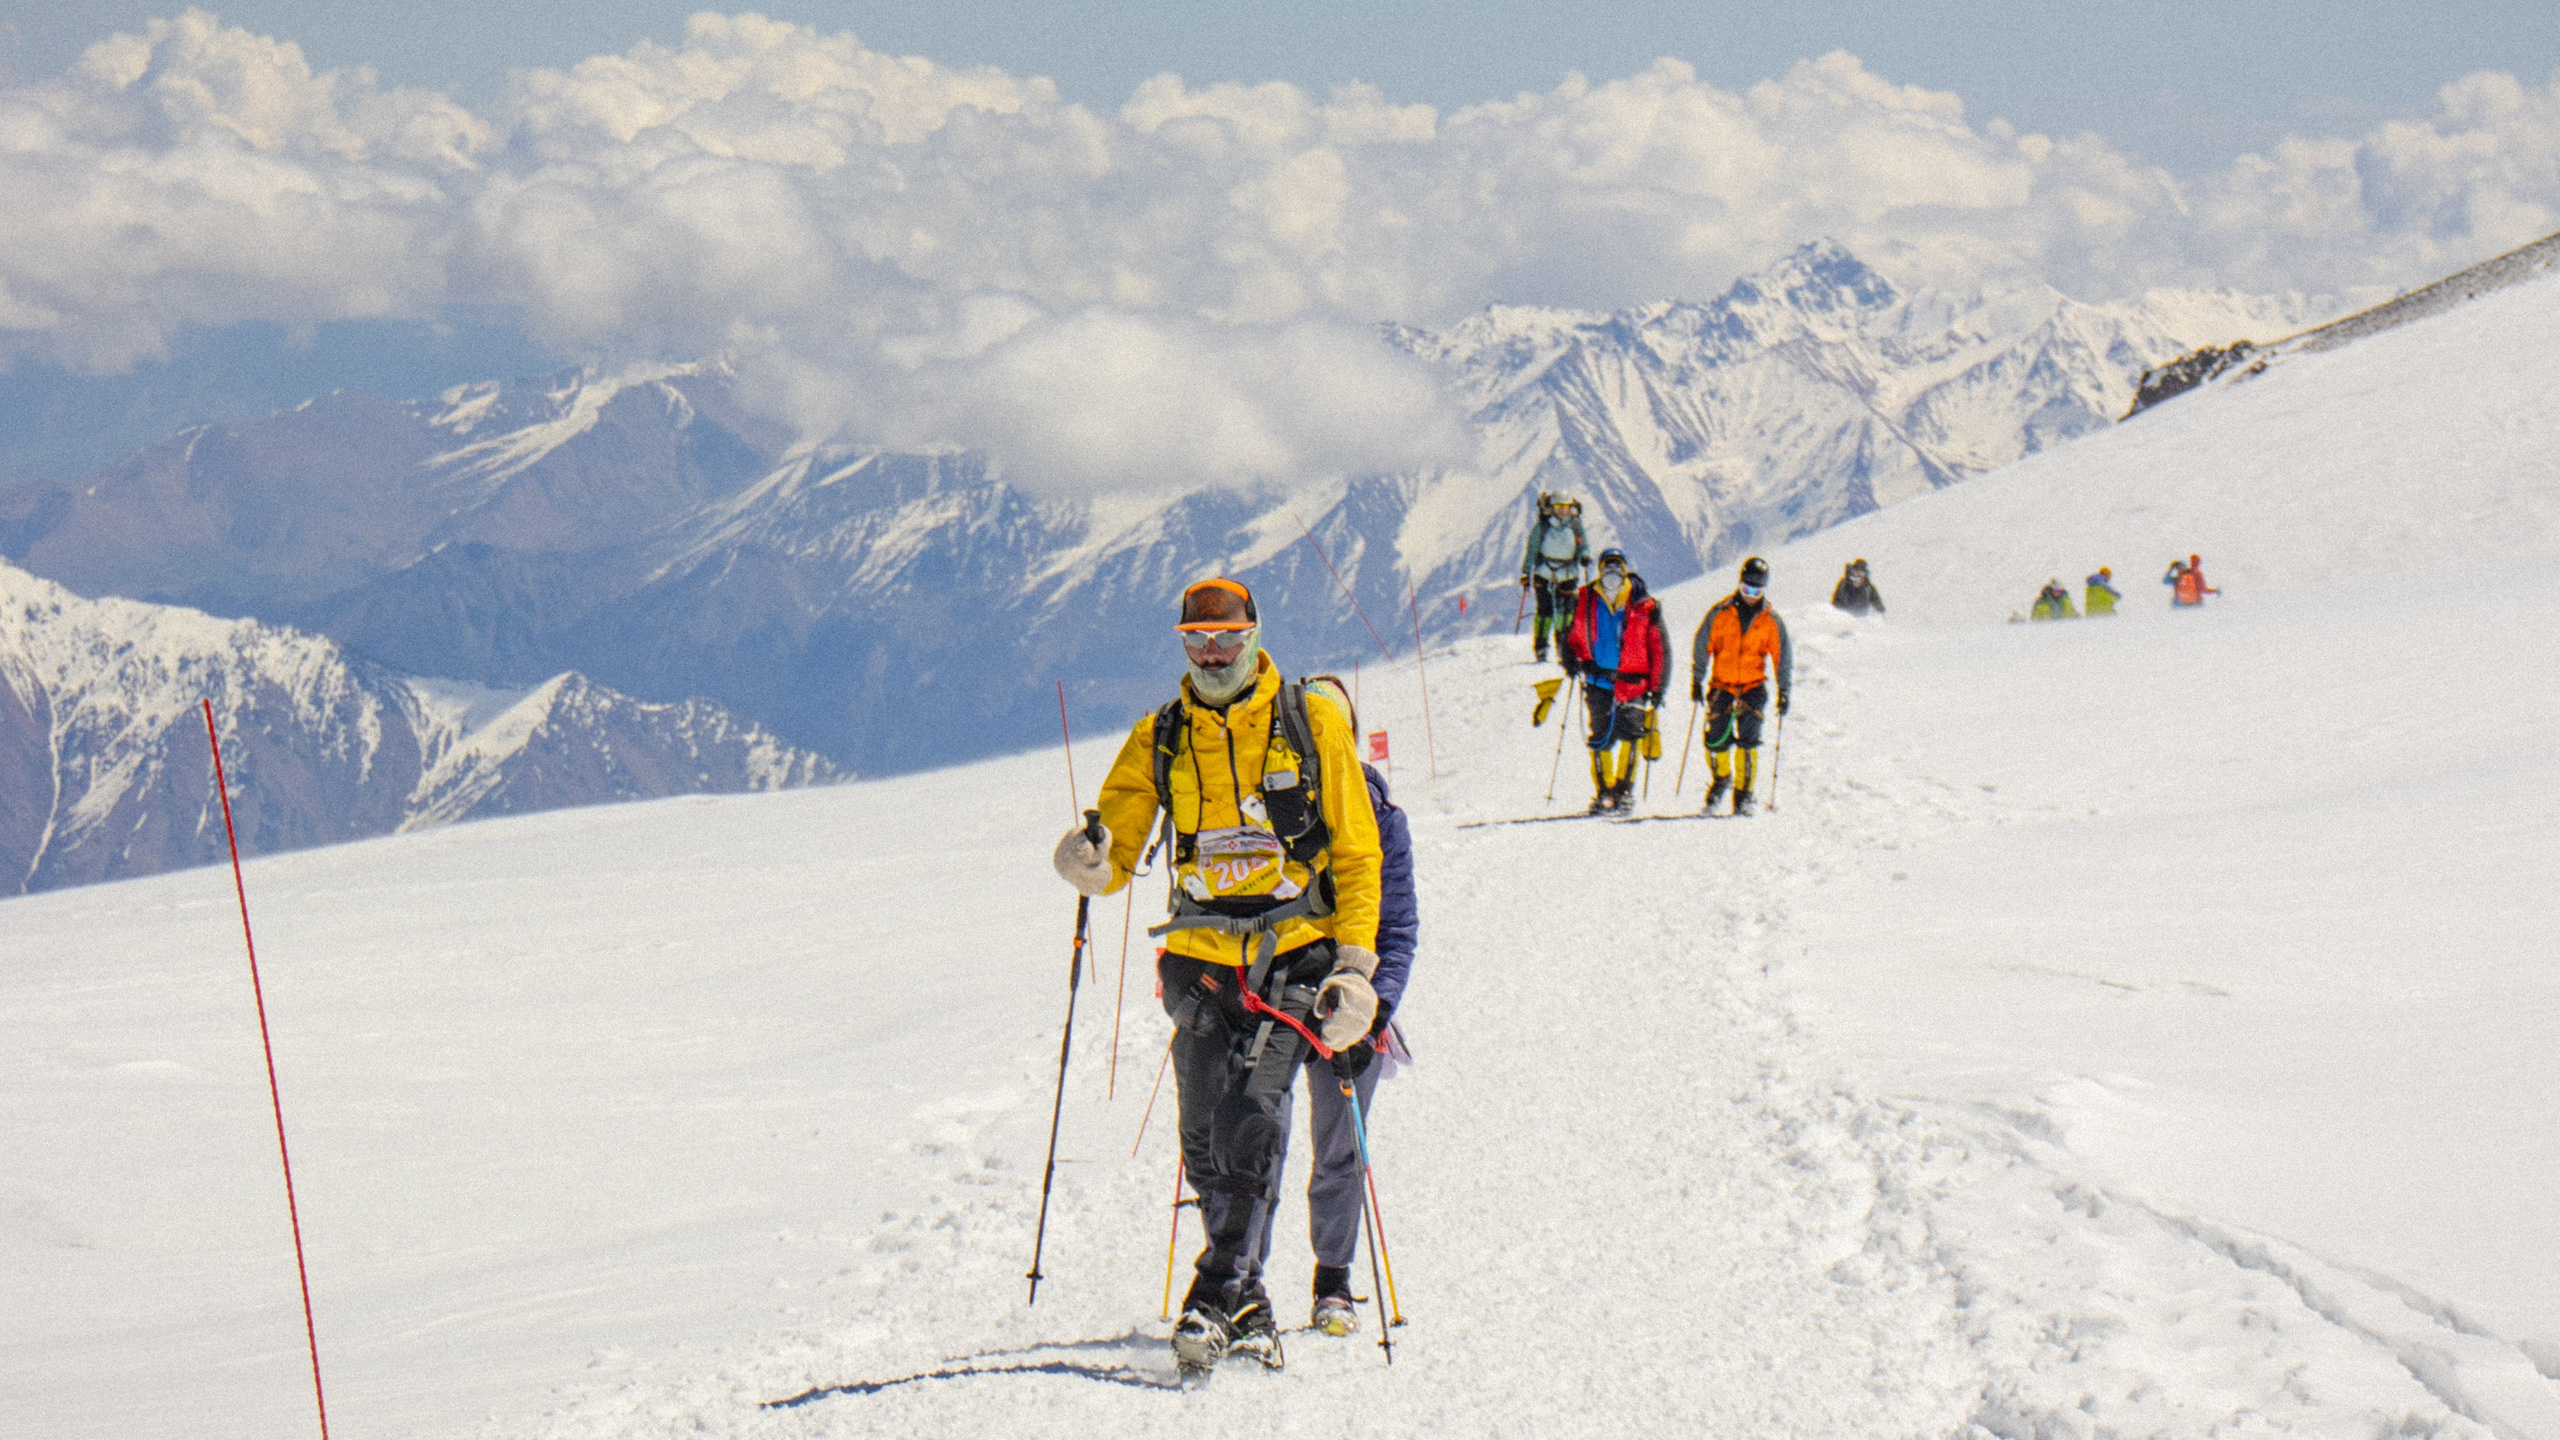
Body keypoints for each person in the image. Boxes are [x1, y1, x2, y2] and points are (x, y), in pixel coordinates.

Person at [1050, 577, 1383, 1373]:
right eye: (1197, 640)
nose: (1212, 653)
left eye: (1226, 638)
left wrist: (1357, 967)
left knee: (1253, 1116)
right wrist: (1090, 861)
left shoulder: (1311, 722)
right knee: (1202, 1137)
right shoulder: (1161, 735)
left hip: (1294, 952)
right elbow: (1119, 843)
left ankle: (1210, 1295)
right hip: (1199, 962)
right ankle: (1247, 1299)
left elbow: (1356, 850)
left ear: (1254, 635)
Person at [1251, 676, 1414, 1338]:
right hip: (1276, 995)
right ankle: (1242, 1279)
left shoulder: (1380, 817)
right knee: (1259, 1136)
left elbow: (1396, 928)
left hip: (1354, 1002)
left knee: (1339, 1146)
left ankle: (1333, 1281)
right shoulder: (1262, 811)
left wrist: (1374, 1004)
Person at [1559, 547, 1669, 815]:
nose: (1612, 573)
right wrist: (1570, 659)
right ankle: (1605, 791)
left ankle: (1623, 790)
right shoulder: (1583, 599)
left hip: (1633, 682)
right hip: (1598, 678)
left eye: (1616, 567)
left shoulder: (1644, 604)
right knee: (1600, 738)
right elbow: (1566, 633)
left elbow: (1659, 647)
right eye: (1607, 567)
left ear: (1625, 569)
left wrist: (1658, 686)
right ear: (1600, 570)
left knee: (1632, 735)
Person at [1690, 557, 1792, 816]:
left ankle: (1744, 795)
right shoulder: (1720, 613)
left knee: (1749, 741)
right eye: (1747, 589)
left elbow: (1782, 655)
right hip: (1722, 685)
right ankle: (1722, 777)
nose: (1750, 596)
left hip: (1752, 687)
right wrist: (1697, 678)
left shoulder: (1770, 621)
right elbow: (1703, 643)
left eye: (1756, 591)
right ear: (1739, 584)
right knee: (1715, 740)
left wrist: (1785, 689)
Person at [1518, 492, 1591, 662]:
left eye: (1565, 507)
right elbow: (1532, 551)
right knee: (1545, 612)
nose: (1562, 511)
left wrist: (1584, 556)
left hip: (1564, 574)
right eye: (1559, 507)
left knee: (1565, 614)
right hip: (1547, 574)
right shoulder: (1543, 526)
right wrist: (1525, 573)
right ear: (1552, 508)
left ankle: (1563, 647)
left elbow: (1583, 547)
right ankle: (1542, 647)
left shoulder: (1575, 525)